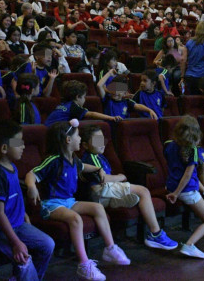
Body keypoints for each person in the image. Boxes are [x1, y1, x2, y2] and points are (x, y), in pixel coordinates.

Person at [25, 120, 130, 280]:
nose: (80, 139)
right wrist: (32, 187)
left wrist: (98, 168)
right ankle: (84, 264)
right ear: (68, 140)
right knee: (75, 219)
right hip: (51, 205)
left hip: (69, 201)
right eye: (78, 136)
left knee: (98, 208)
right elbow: (31, 174)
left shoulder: (74, 159)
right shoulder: (53, 160)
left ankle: (110, 248)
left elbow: (83, 167)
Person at [79, 124, 178, 249]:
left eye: (102, 139)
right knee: (143, 191)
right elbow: (102, 180)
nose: (101, 143)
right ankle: (155, 234)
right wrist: (121, 177)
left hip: (106, 193)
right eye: (96, 140)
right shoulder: (90, 158)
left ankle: (115, 202)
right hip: (99, 192)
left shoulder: (100, 156)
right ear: (85, 145)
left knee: (136, 197)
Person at [0, 120, 55, 281]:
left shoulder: (12, 167)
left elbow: (14, 198)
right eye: (18, 143)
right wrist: (16, 243)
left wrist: (24, 214)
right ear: (4, 148)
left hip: (17, 223)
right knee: (24, 259)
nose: (23, 146)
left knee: (48, 244)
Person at [164, 116, 204, 259]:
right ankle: (189, 245)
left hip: (171, 184)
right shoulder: (192, 150)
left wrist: (173, 190)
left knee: (195, 178)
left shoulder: (169, 144)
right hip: (185, 190)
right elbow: (186, 176)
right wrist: (176, 193)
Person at [44, 80, 123, 126]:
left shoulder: (63, 104)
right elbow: (92, 114)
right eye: (84, 97)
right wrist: (111, 118)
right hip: (53, 131)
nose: (85, 99)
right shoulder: (73, 107)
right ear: (78, 97)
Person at [183, 20, 204, 95]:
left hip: (190, 76)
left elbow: (183, 60)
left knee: (193, 101)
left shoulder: (189, 41)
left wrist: (182, 76)